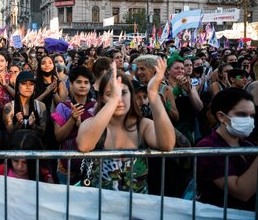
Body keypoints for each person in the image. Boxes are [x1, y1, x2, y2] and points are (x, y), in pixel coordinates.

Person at [76, 59, 175, 192]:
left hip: (136, 207)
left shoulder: (143, 126)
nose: (119, 99)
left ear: (131, 95)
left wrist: (153, 94)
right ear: (102, 98)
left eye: (123, 93)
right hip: (99, 207)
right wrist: (113, 101)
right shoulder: (91, 124)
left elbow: (167, 144)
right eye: (110, 94)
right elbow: (84, 145)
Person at [197, 88, 256, 211]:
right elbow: (242, 192)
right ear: (221, 117)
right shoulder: (207, 148)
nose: (249, 121)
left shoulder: (247, 145)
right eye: (242, 115)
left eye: (252, 116)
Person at [51, 66, 97, 184]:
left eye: (86, 82)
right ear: (71, 84)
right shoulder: (63, 107)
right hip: (66, 166)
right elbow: (58, 136)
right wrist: (72, 119)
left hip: (92, 164)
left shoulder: (96, 107)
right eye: (78, 82)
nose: (83, 85)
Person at [3, 71, 47, 138]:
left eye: (31, 84)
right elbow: (10, 134)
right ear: (17, 86)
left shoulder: (41, 106)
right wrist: (18, 125)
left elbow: (43, 133)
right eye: (24, 83)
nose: (28, 87)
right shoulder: (9, 107)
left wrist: (33, 126)